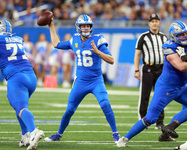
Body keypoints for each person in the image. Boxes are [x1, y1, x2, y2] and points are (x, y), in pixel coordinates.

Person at [117, 21, 187, 148]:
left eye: (186, 33)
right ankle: (124, 139)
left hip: (182, 87)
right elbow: (181, 66)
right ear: (174, 36)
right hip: (167, 87)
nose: (185, 37)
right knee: (150, 119)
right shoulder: (168, 46)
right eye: (181, 35)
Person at [44, 14, 120, 143]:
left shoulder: (98, 39)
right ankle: (59, 134)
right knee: (69, 110)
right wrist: (51, 26)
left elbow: (111, 60)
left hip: (96, 81)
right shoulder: (74, 39)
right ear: (78, 27)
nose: (86, 28)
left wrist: (98, 52)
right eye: (83, 26)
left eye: (88, 26)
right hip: (80, 82)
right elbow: (56, 44)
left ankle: (116, 134)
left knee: (105, 104)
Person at [0, 20, 44, 150]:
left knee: (20, 108)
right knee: (19, 106)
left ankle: (33, 131)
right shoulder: (18, 39)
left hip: (16, 77)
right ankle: (25, 135)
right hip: (31, 77)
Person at [134, 13, 167, 130]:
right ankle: (143, 120)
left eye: (156, 21)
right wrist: (136, 70)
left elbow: (168, 55)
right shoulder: (143, 37)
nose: (154, 23)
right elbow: (138, 54)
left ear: (159, 23)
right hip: (148, 68)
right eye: (152, 21)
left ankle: (159, 122)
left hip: (161, 69)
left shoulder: (164, 37)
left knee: (160, 95)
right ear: (149, 23)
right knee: (145, 95)